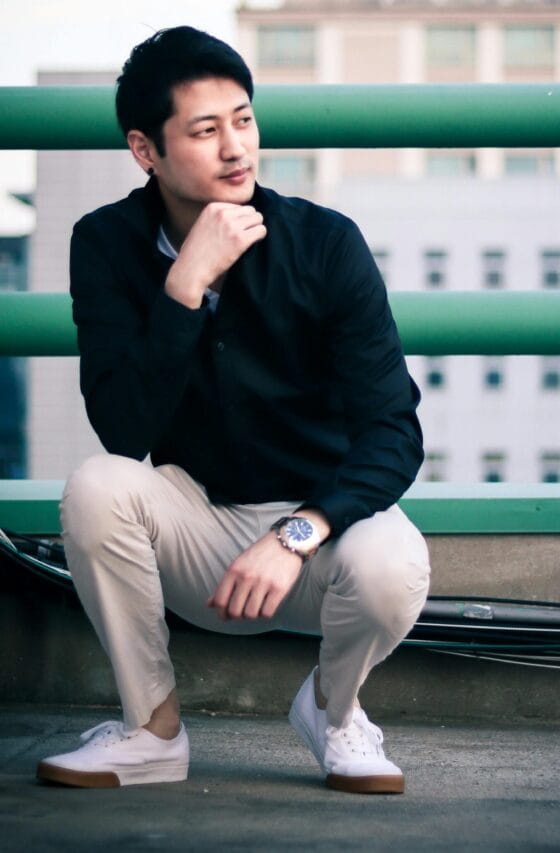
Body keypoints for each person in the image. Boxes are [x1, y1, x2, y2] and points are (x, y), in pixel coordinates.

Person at [37, 26, 430, 794]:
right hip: (199, 534)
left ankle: (333, 707)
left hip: (322, 537)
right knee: (96, 484)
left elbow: (394, 431)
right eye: (205, 130)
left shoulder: (324, 243)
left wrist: (297, 532)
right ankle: (152, 730)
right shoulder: (107, 243)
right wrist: (184, 287)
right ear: (145, 150)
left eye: (243, 120)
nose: (235, 149)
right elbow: (124, 430)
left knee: (396, 563)